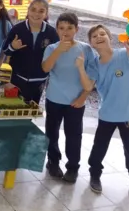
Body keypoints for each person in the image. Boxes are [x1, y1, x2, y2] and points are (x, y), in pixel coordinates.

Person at [85, 24, 129, 198]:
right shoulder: (94, 64)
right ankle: (95, 175)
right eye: (94, 36)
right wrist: (80, 67)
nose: (99, 37)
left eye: (102, 33)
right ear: (91, 44)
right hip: (108, 113)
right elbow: (88, 86)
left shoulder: (125, 55)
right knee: (99, 147)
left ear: (110, 37)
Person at [41, 12, 97, 182]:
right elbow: (45, 68)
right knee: (52, 133)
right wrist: (58, 50)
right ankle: (53, 161)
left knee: (74, 134)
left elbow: (92, 77)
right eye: (61, 28)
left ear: (76, 29)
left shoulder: (86, 49)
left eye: (70, 28)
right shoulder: (51, 48)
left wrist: (83, 97)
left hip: (76, 101)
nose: (65, 31)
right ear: (57, 30)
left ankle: (73, 167)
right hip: (54, 98)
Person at [2, 0, 59, 103]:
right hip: (17, 79)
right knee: (14, 108)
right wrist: (13, 47)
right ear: (28, 11)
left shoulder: (52, 33)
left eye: (41, 11)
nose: (36, 14)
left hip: (39, 81)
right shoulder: (17, 29)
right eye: (33, 9)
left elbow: (57, 56)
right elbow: (5, 50)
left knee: (31, 110)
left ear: (46, 14)